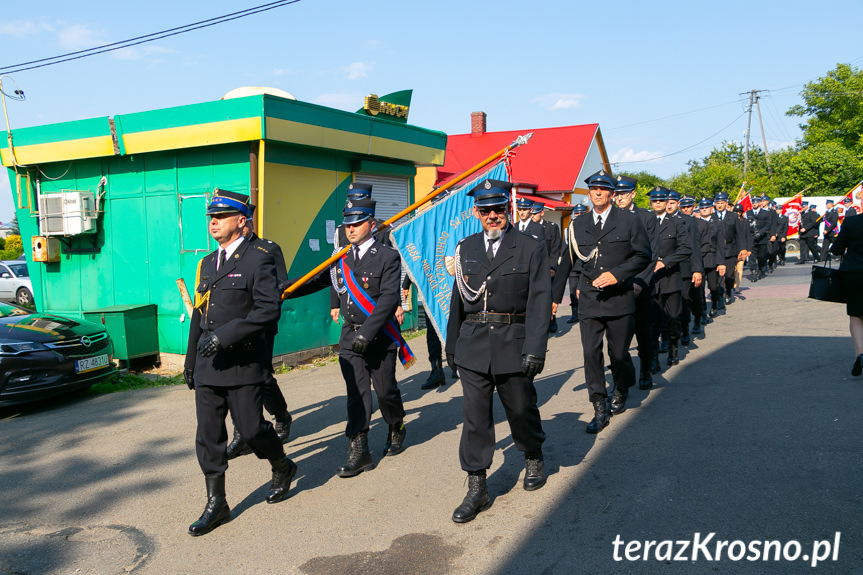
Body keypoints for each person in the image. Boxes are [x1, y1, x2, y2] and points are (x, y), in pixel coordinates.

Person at [183, 189, 297, 537]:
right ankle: (217, 503)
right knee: (208, 436)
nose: (213, 222)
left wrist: (227, 335)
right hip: (208, 365)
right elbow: (200, 315)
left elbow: (267, 309)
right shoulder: (206, 263)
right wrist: (190, 360)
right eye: (210, 218)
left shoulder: (258, 257)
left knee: (250, 430)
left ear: (241, 221)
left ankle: (281, 465)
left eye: (220, 217)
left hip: (243, 362)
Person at [446, 178, 550, 523]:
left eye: (499, 209)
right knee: (475, 416)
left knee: (520, 409)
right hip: (473, 342)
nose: (493, 215)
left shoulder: (530, 247)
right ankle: (477, 486)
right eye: (486, 210)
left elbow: (539, 301)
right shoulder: (466, 248)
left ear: (509, 209)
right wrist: (451, 345)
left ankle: (532, 452)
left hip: (513, 340)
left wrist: (536, 348)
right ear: (476, 212)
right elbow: (458, 302)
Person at [286, 194, 409, 477]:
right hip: (349, 337)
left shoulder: (388, 256)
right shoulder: (341, 257)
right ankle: (360, 449)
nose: (350, 228)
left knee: (386, 390)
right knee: (356, 394)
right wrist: (284, 290)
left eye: (357, 223)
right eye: (347, 224)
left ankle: (396, 425)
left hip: (379, 337)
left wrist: (367, 333)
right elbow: (315, 280)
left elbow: (390, 297)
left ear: (371, 223)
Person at [553, 170, 651, 427]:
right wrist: (554, 298)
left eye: (603, 189)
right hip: (589, 299)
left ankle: (621, 387)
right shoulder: (577, 225)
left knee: (618, 354)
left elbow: (643, 256)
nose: (597, 193)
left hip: (619, 298)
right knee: (591, 354)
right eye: (593, 189)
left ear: (611, 193)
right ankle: (599, 405)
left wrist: (617, 275)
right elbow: (567, 262)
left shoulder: (629, 221)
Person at [224, 215, 294, 460]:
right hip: (233, 327)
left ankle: (281, 415)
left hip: (260, 326)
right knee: (234, 380)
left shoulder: (268, 249)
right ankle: (241, 434)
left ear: (248, 223)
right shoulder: (226, 253)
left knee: (261, 376)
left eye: (243, 223)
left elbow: (281, 285)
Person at [613, 175, 659, 390]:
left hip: (641, 283)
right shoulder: (609, 217)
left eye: (623, 193)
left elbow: (652, 253)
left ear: (633, 194)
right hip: (617, 285)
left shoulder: (646, 217)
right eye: (617, 194)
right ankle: (622, 378)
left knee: (644, 332)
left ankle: (646, 371)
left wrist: (640, 283)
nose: (619, 198)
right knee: (618, 337)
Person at [647, 187, 692, 367]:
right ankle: (654, 359)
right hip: (650, 279)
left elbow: (685, 249)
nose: (657, 203)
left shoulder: (677, 223)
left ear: (667, 203)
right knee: (652, 322)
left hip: (670, 278)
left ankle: (673, 346)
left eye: (661, 200)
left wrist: (666, 262)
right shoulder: (645, 222)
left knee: (673, 317)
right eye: (654, 201)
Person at [830, 212, 863, 376]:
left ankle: (859, 354)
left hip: (853, 273)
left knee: (856, 315)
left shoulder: (851, 221)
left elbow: (836, 250)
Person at [402, 276, 448, 389]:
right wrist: (406, 284)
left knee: (453, 328)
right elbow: (415, 259)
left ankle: (456, 364)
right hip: (430, 291)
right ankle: (437, 371)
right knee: (432, 332)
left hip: (447, 287)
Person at [530, 201, 562, 333]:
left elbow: (555, 249)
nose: (532, 216)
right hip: (534, 269)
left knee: (549, 296)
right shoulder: (527, 228)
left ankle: (552, 319)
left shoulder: (551, 227)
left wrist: (552, 267)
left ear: (542, 213)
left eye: (535, 213)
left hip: (548, 269)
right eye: (531, 213)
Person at [710, 192, 748, 305]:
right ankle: (721, 295)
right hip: (716, 250)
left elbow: (739, 234)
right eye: (717, 203)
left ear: (726, 204)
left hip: (730, 249)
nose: (720, 205)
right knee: (718, 276)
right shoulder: (712, 217)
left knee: (729, 275)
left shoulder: (733, 217)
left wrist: (742, 249)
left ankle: (728, 291)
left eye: (722, 203)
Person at [696, 198, 727, 322]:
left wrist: (721, 263)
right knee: (699, 288)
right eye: (702, 208)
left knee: (713, 287)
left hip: (713, 258)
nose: (704, 210)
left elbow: (720, 244)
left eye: (706, 208)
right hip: (700, 259)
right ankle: (703, 311)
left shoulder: (718, 223)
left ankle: (714, 304)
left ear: (711, 208)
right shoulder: (696, 223)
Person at [565, 204, 589, 323]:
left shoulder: (589, 226)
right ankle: (575, 313)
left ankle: (585, 313)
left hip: (585, 264)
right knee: (573, 291)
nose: (578, 215)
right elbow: (567, 246)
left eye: (581, 213)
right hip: (573, 265)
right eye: (577, 213)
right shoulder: (569, 228)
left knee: (584, 291)